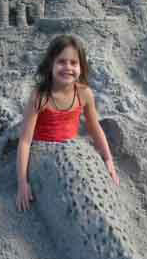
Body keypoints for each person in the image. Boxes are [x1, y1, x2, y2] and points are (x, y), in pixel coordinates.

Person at [16, 34, 119, 211]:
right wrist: (22, 183)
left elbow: (95, 128)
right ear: (50, 65)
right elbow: (25, 141)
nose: (68, 68)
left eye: (74, 63)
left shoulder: (84, 93)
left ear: (81, 67)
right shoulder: (40, 97)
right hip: (43, 152)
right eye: (61, 62)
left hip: (72, 146)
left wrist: (108, 159)